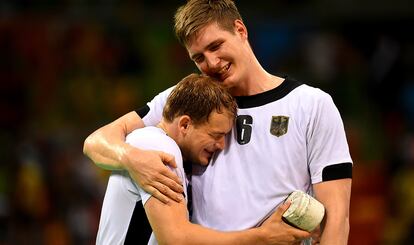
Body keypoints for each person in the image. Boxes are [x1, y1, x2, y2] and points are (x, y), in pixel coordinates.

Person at [84, 0, 353, 244]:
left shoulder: (312, 105)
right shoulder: (187, 99)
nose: (211, 62)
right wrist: (131, 158)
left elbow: (336, 219)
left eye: (215, 46)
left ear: (240, 30)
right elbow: (96, 142)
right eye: (198, 57)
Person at [95, 73, 304, 245]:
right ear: (185, 124)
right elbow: (175, 238)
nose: (222, 145)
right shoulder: (156, 145)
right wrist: (261, 237)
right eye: (216, 135)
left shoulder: (166, 150)